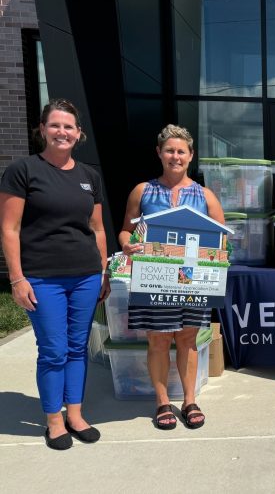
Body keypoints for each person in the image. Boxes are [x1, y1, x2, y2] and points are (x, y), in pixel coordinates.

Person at [0, 98, 110, 450]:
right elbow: (9, 228)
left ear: (79, 133)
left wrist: (104, 272)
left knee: (78, 348)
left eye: (68, 127)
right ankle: (53, 420)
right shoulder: (23, 170)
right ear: (43, 129)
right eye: (55, 125)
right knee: (53, 350)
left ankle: (74, 415)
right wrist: (17, 279)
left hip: (86, 276)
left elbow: (97, 229)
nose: (62, 132)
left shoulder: (89, 176)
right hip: (42, 277)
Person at [118, 124, 224, 430]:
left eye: (181, 151)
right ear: (159, 153)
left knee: (188, 340)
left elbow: (222, 239)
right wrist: (127, 244)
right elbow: (125, 230)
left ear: (190, 155)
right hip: (153, 277)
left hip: (192, 280)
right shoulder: (143, 190)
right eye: (169, 151)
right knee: (159, 340)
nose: (175, 156)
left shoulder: (205, 195)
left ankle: (190, 400)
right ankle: (162, 402)